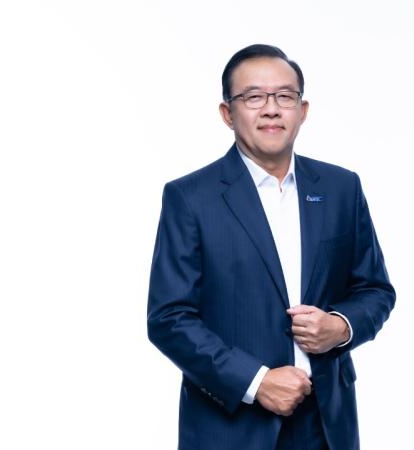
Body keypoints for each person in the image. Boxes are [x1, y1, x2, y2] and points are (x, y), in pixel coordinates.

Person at [147, 44, 395, 450]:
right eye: (253, 97)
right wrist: (256, 381)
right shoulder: (190, 198)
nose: (271, 109)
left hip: (326, 424)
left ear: (303, 110)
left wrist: (340, 326)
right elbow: (169, 318)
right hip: (230, 427)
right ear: (227, 113)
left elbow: (375, 289)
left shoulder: (341, 188)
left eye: (284, 96)